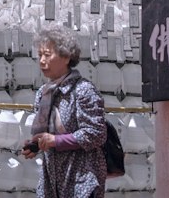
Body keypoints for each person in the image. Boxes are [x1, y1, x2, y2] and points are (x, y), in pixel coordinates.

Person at [21, 25, 107, 198]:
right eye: (39, 55)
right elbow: (46, 134)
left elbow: (96, 133)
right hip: (52, 183)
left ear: (66, 57)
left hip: (81, 180)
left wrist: (56, 141)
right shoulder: (43, 93)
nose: (42, 61)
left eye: (47, 55)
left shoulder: (83, 90)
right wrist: (36, 145)